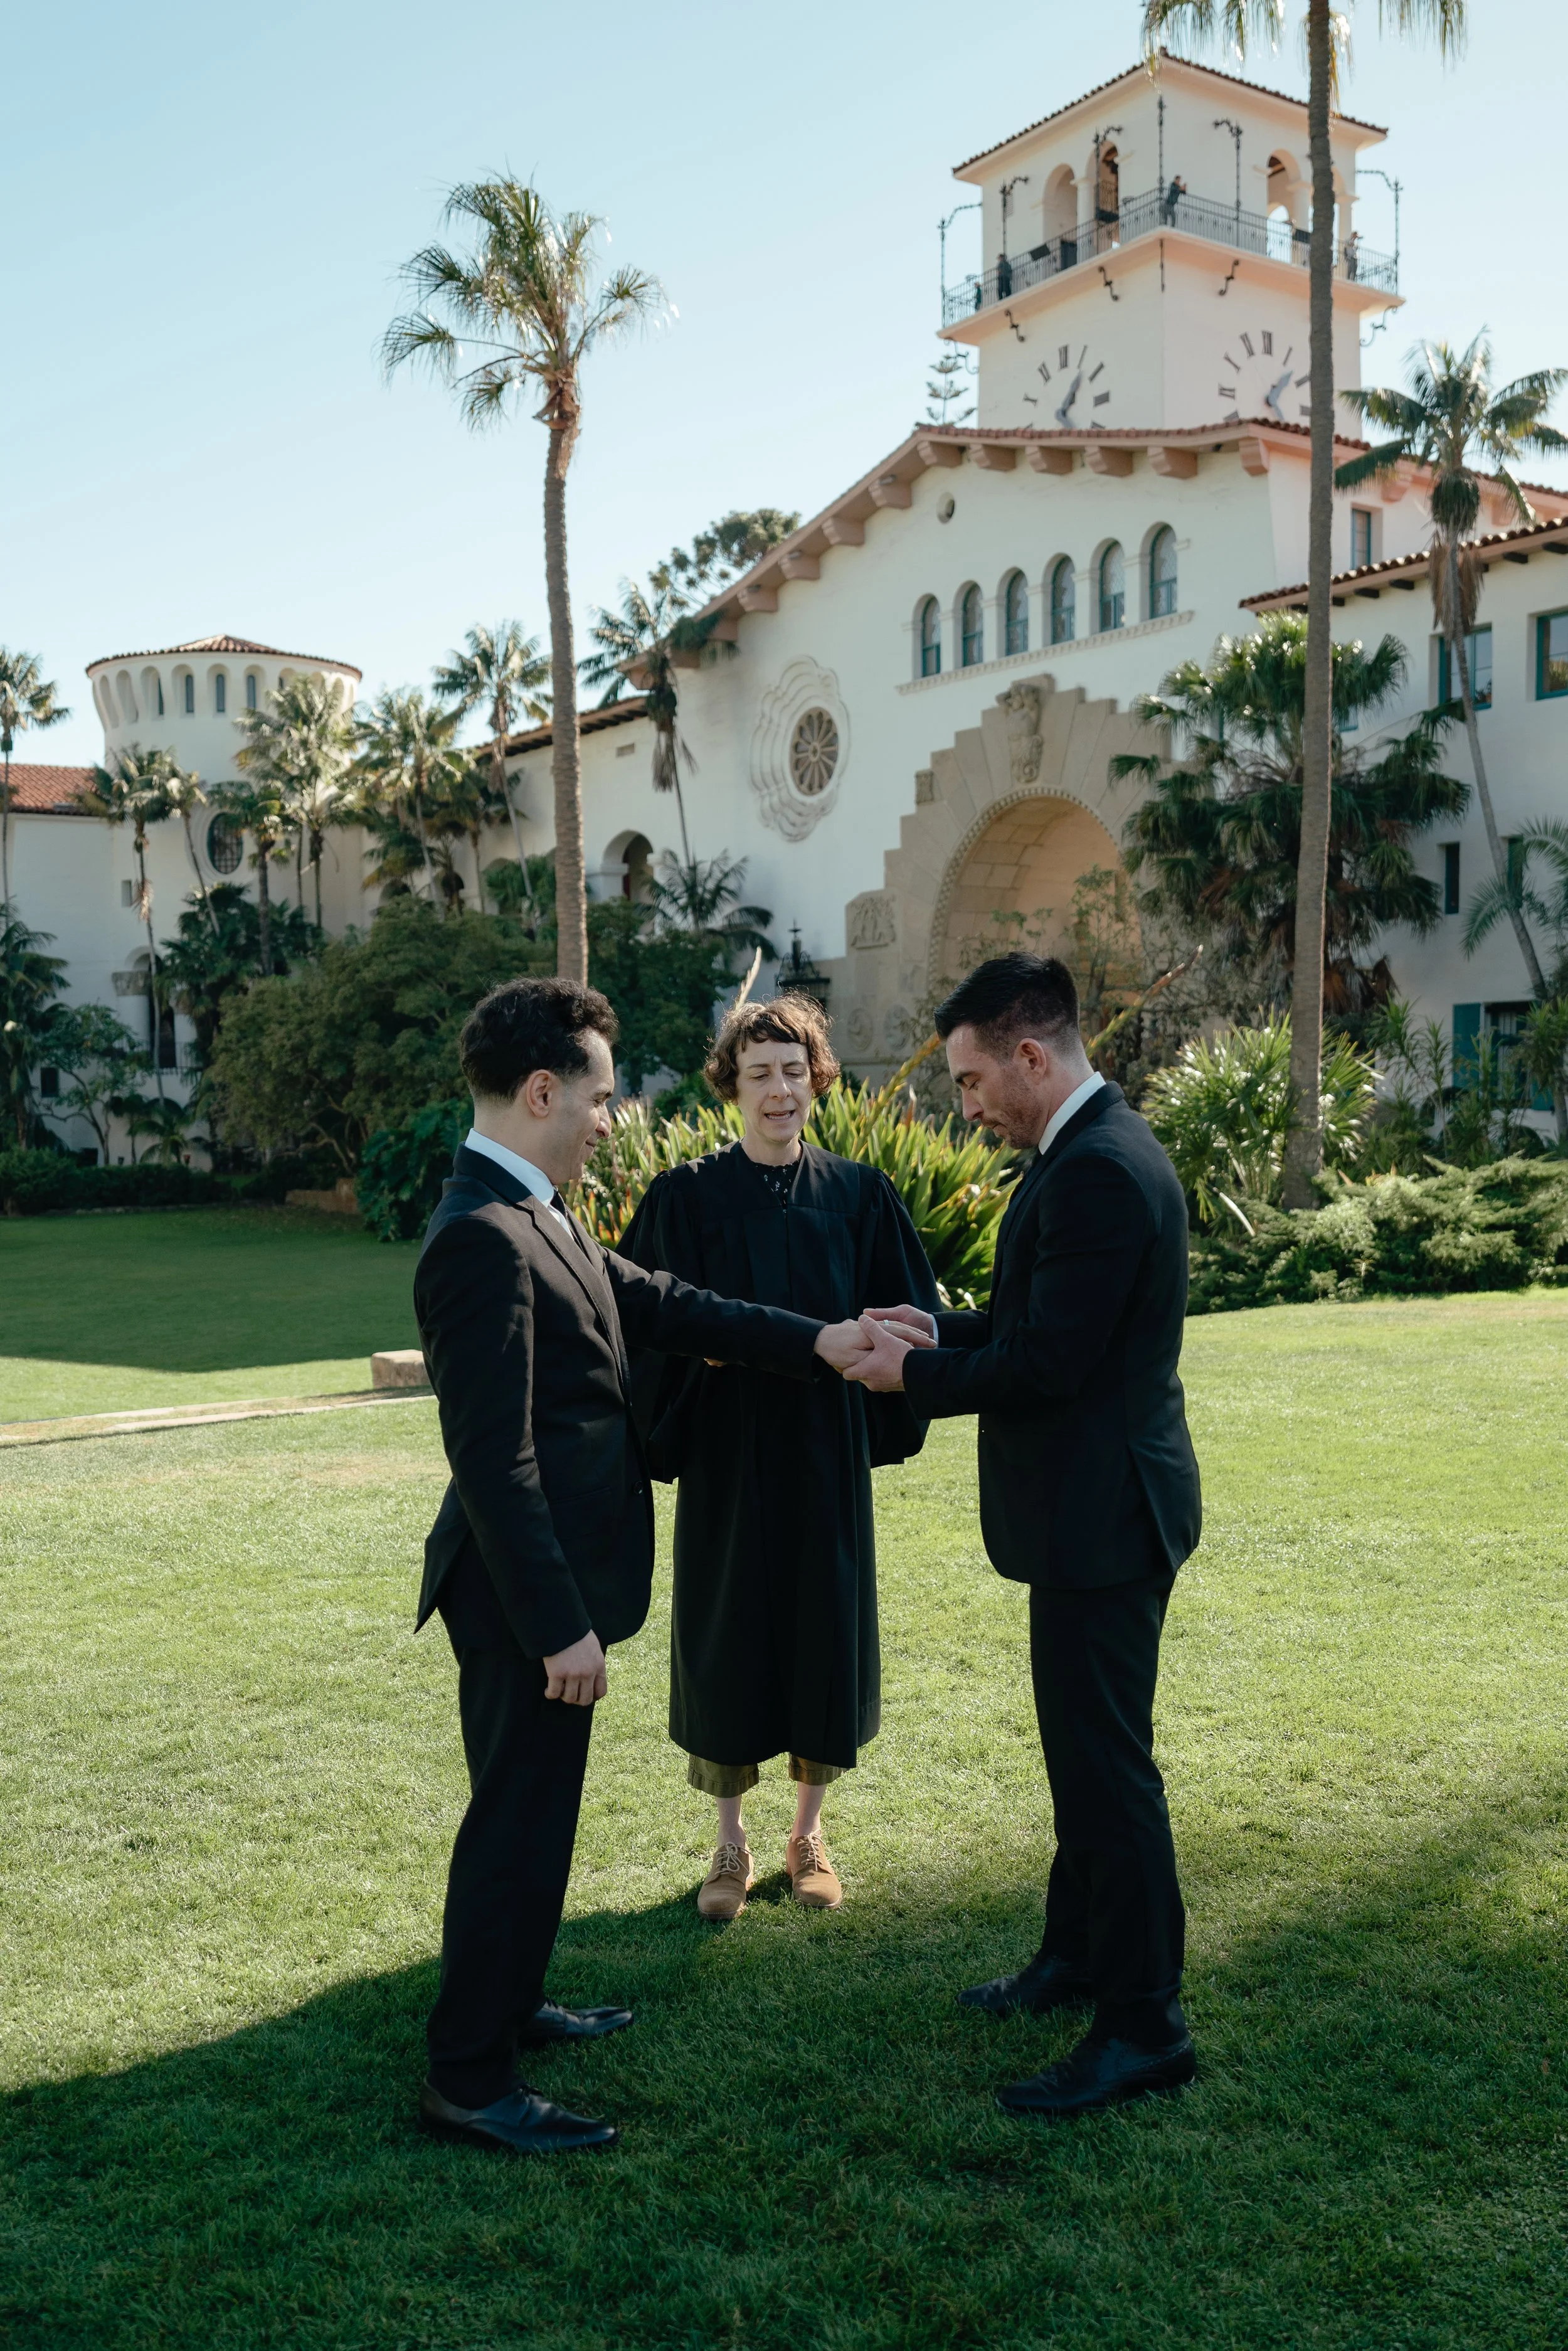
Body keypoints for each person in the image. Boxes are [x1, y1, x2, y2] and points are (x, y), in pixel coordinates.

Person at [413, 978, 873, 2157]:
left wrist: (816, 1342)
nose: (611, 1119)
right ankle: (470, 2077)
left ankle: (513, 2006)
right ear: (541, 1091)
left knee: (540, 1818)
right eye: (603, 1098)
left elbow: (667, 1303)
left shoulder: (543, 1212)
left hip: (560, 1586)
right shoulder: (478, 1239)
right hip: (526, 1597)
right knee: (514, 1825)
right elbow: (494, 1460)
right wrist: (557, 1625)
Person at [845, 952, 1202, 2121]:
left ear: (1032, 1058)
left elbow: (1052, 1364)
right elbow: (1036, 1318)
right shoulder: (1083, 1152)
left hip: (1107, 1520)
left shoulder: (1099, 1169)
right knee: (1085, 1758)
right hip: (1092, 1515)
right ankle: (1076, 1959)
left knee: (1109, 1773)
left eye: (969, 1081)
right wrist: (933, 1324)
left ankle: (1145, 2024)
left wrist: (915, 1374)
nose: (967, 1104)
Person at [620, 995, 940, 1921]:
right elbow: (643, 1324)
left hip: (821, 1452)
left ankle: (808, 1834)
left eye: (794, 1072)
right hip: (726, 1449)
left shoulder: (859, 1196)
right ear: (731, 1084)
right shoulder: (685, 1198)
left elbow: (906, 1320)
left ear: (817, 1081)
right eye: (759, 1073)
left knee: (820, 1628)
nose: (778, 1090)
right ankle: (728, 1844)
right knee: (727, 1635)